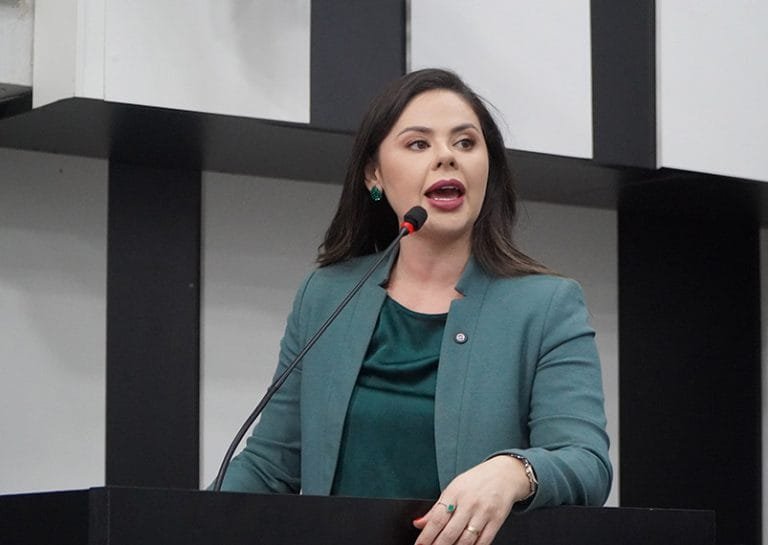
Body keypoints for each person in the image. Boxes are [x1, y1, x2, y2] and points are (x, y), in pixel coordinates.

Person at [217, 68, 612, 545]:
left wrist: (513, 471)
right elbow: (269, 465)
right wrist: (188, 522)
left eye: (465, 143)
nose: (447, 156)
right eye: (419, 143)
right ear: (374, 174)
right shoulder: (326, 295)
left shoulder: (546, 305)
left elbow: (585, 462)